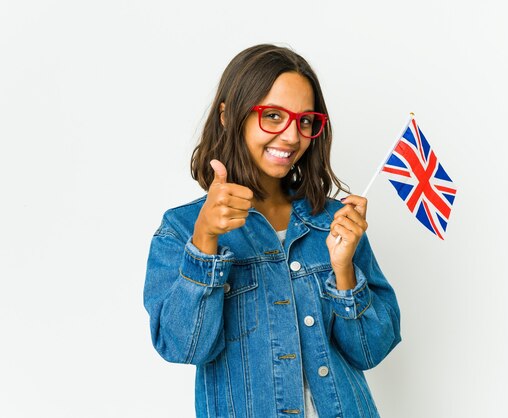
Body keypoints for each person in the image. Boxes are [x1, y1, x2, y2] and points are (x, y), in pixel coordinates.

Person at [144, 44, 401, 418]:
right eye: (274, 116)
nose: (292, 137)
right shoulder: (182, 228)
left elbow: (371, 350)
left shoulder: (334, 221)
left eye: (305, 121)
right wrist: (204, 243)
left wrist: (344, 272)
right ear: (229, 116)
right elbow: (183, 347)